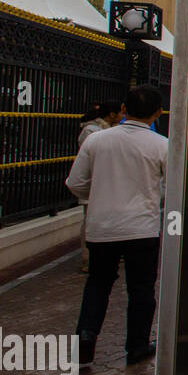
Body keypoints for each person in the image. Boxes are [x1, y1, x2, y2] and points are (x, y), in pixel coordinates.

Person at [66, 85, 168, 367]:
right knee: (142, 288)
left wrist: (98, 196)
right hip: (142, 229)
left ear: (124, 109)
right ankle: (136, 344)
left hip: (102, 228)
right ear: (158, 113)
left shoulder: (96, 141)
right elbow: (172, 187)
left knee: (98, 284)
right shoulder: (161, 145)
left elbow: (75, 183)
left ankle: (86, 337)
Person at [75, 101, 122, 272]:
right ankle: (88, 258)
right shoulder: (91, 131)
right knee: (90, 221)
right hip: (95, 184)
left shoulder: (109, 131)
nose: (122, 116)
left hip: (108, 184)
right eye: (120, 113)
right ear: (111, 114)